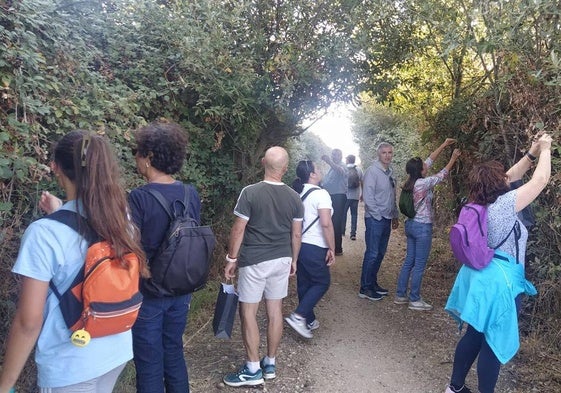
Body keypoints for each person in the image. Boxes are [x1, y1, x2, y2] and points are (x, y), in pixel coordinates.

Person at [0, 130, 148, 393]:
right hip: (116, 348)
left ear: (55, 167)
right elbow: (86, 237)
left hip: (71, 364)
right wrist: (61, 211)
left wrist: (6, 383)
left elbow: (28, 322)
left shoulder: (44, 233)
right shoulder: (119, 217)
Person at [444, 133, 553, 393]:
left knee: (475, 333)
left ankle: (454, 388)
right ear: (498, 184)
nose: (507, 177)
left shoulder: (477, 204)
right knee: (492, 341)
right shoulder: (505, 205)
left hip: (481, 276)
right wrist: (547, 148)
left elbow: (511, 175)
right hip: (502, 282)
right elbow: (540, 180)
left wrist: (532, 152)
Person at [127, 121, 200, 393]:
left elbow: (131, 245)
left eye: (138, 151)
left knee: (148, 362)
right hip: (182, 287)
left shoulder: (138, 198)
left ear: (149, 157)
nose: (135, 157)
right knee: (173, 351)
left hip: (149, 291)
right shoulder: (190, 193)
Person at [222, 146, 304, 387]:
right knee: (275, 310)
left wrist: (231, 259)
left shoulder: (250, 193)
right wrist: (294, 260)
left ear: (262, 163)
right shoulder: (294, 197)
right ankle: (270, 363)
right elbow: (296, 234)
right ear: (286, 169)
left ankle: (252, 368)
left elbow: (238, 229)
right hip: (282, 259)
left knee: (248, 311)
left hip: (255, 260)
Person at [395, 139, 461, 311]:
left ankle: (400, 294)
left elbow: (429, 161)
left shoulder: (410, 182)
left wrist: (444, 144)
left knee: (409, 260)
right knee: (420, 263)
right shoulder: (423, 184)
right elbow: (443, 174)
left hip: (410, 225)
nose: (427, 164)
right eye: (424, 165)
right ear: (421, 171)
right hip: (422, 228)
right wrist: (453, 158)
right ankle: (415, 299)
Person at [285, 160, 336, 339]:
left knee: (304, 283)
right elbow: (326, 223)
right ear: (312, 174)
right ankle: (299, 316)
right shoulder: (321, 194)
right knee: (322, 282)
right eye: (318, 168)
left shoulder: (296, 193)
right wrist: (332, 247)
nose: (321, 170)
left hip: (299, 245)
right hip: (315, 246)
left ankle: (309, 319)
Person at [359, 142, 399, 301]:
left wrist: (394, 214)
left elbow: (392, 195)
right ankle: (365, 287)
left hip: (387, 218)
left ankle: (373, 283)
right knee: (372, 253)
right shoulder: (372, 172)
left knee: (380, 253)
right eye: (384, 153)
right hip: (376, 219)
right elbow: (368, 197)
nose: (387, 155)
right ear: (378, 154)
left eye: (390, 152)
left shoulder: (389, 172)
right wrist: (378, 216)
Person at [321, 148, 347, 255]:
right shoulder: (330, 169)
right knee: (330, 221)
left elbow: (340, 171)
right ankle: (330, 246)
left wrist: (329, 162)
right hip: (331, 196)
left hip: (339, 197)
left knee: (336, 222)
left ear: (341, 156)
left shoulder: (342, 165)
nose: (333, 156)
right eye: (332, 154)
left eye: (336, 154)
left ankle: (338, 249)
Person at [343, 154, 363, 241]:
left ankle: (342, 231)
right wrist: (362, 193)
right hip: (355, 196)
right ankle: (353, 234)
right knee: (354, 214)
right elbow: (362, 181)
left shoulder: (344, 168)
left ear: (347, 160)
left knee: (343, 213)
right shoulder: (359, 169)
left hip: (345, 195)